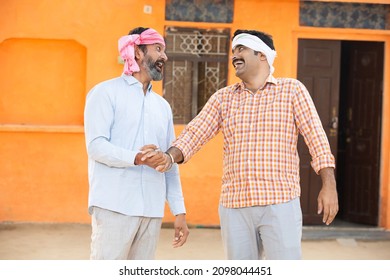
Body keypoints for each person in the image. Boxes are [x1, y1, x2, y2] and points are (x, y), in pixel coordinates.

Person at [147, 29, 338, 260]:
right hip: (234, 206)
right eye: (233, 51)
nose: (234, 55)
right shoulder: (223, 98)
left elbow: (317, 139)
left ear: (262, 55)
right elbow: (194, 134)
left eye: (241, 49)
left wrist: (329, 185)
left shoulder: (292, 91)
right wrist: (168, 157)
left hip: (279, 202)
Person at [84, 27, 189, 260]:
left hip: (151, 210)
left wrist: (179, 211)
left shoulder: (162, 106)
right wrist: (137, 158)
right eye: (158, 49)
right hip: (114, 206)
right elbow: (96, 146)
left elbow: (169, 162)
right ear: (138, 52)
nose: (165, 57)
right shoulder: (105, 93)